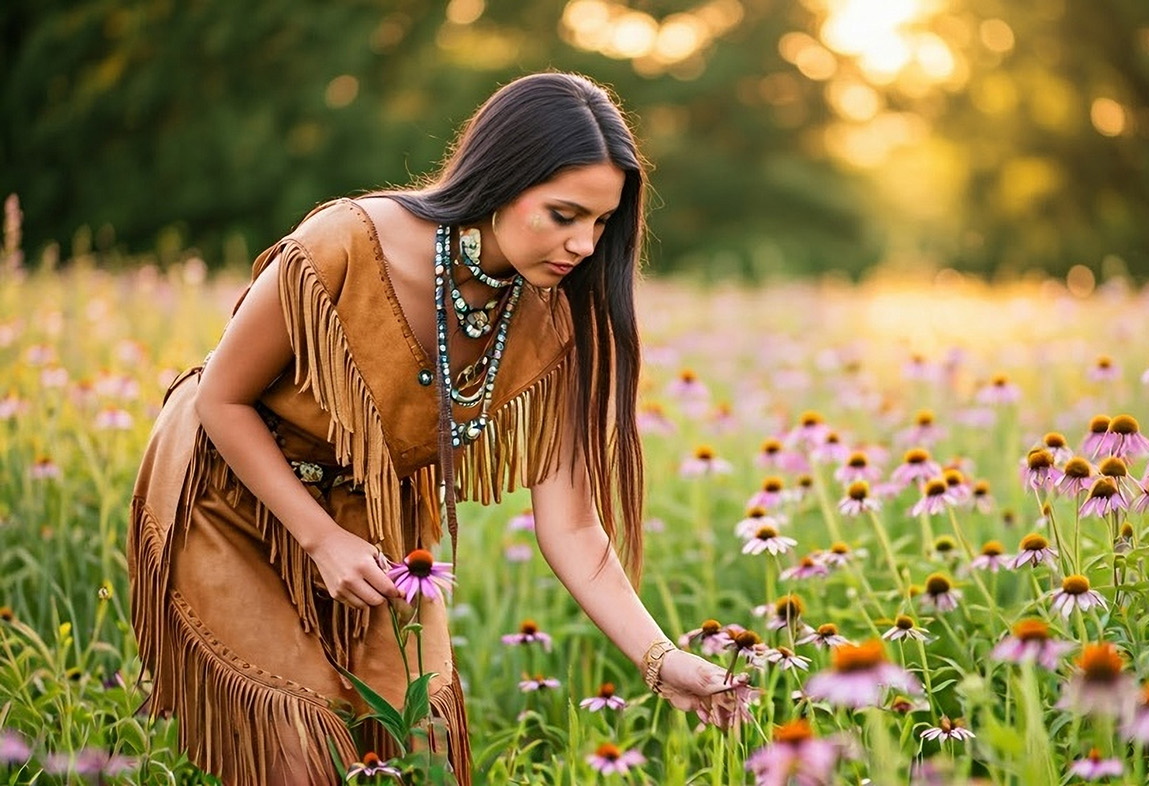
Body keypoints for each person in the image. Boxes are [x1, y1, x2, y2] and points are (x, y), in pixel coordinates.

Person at [127, 72, 748, 786]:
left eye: (601, 223)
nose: (583, 244)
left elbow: (573, 528)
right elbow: (222, 400)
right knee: (299, 755)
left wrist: (661, 658)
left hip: (376, 506)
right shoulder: (345, 242)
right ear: (502, 181)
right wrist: (320, 537)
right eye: (563, 214)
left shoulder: (558, 318)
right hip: (231, 491)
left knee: (415, 746)